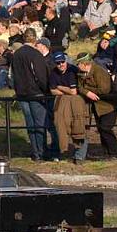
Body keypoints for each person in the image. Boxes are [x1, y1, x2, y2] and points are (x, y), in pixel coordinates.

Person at [10, 28, 54, 161]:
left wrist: (17, 89)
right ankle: (41, 151)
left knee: (30, 124)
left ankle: (35, 151)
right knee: (39, 123)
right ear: (34, 39)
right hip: (36, 93)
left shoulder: (16, 54)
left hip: (22, 93)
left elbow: (12, 75)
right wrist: (46, 89)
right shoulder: (35, 54)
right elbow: (40, 75)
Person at [75, 52, 117, 160]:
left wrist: (89, 91)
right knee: (101, 129)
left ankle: (115, 152)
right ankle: (107, 152)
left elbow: (104, 89)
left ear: (84, 64)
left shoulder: (99, 71)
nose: (77, 66)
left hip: (108, 105)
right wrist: (87, 93)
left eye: (79, 64)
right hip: (97, 106)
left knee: (105, 128)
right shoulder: (81, 73)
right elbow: (79, 87)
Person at [49, 52, 86, 160]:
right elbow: (52, 91)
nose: (61, 64)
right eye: (58, 63)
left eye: (62, 62)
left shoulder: (72, 70)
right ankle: (63, 149)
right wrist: (66, 91)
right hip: (62, 100)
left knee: (77, 123)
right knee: (60, 123)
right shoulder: (53, 73)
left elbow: (74, 92)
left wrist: (59, 87)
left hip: (75, 101)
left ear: (66, 61)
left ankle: (78, 152)